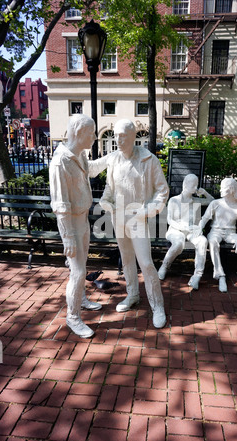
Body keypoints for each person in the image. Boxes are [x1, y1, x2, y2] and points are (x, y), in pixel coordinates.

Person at [99, 119, 169, 329]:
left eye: (123, 136)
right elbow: (110, 189)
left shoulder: (149, 160)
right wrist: (105, 200)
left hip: (138, 219)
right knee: (127, 260)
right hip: (118, 218)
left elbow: (162, 190)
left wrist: (147, 210)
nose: (118, 140)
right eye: (116, 136)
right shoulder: (114, 161)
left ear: (133, 137)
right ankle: (132, 295)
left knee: (146, 263)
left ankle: (157, 305)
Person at [49, 114, 109, 338]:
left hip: (82, 219)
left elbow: (91, 169)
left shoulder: (80, 156)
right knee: (78, 271)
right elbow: (60, 205)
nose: (94, 136)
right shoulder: (60, 162)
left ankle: (82, 300)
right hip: (71, 223)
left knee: (82, 264)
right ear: (78, 133)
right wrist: (68, 238)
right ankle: (73, 317)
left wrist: (110, 158)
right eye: (91, 132)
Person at [197, 177, 237, 293]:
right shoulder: (215, 203)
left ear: (231, 190)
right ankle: (220, 275)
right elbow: (204, 218)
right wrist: (199, 229)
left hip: (230, 234)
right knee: (213, 241)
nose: (221, 190)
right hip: (215, 232)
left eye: (223, 188)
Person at [158, 173, 214, 289]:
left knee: (202, 241)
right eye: (193, 184)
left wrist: (204, 193)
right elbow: (169, 219)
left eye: (196, 185)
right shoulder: (174, 200)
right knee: (179, 242)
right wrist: (182, 227)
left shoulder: (196, 201)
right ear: (185, 184)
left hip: (191, 231)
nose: (195, 187)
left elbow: (212, 202)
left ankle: (197, 276)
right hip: (175, 230)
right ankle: (165, 266)